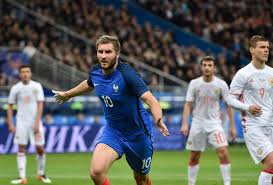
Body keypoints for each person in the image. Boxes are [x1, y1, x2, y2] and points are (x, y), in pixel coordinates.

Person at [52, 35, 170, 185]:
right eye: (100, 52)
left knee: (141, 179)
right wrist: (68, 94)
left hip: (138, 134)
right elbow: (89, 83)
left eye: (108, 52)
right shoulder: (95, 72)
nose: (103, 56)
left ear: (117, 54)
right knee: (96, 173)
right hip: (113, 132)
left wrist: (158, 119)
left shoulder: (127, 74)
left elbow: (151, 100)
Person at [180, 56, 236, 185]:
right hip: (197, 123)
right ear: (201, 67)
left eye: (210, 65)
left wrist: (232, 126)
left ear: (214, 68)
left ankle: (227, 183)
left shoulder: (221, 84)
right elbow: (188, 104)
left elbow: (228, 105)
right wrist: (184, 123)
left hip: (215, 124)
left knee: (223, 153)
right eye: (204, 65)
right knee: (194, 156)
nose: (207, 67)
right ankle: (191, 183)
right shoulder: (194, 83)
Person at [228, 35, 273, 185]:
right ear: (252, 50)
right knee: (271, 162)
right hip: (253, 126)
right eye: (262, 47)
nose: (266, 50)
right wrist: (247, 107)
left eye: (267, 47)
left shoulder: (271, 73)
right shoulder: (243, 74)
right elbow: (230, 99)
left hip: (271, 124)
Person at [7, 65, 51, 184]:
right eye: (23, 72)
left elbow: (40, 104)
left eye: (27, 72)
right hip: (21, 122)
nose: (25, 74)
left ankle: (41, 174)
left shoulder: (36, 86)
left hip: (35, 122)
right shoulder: (16, 88)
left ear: (30, 73)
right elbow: (10, 106)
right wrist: (11, 123)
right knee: (21, 148)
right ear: (19, 74)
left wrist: (37, 122)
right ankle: (22, 177)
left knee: (40, 148)